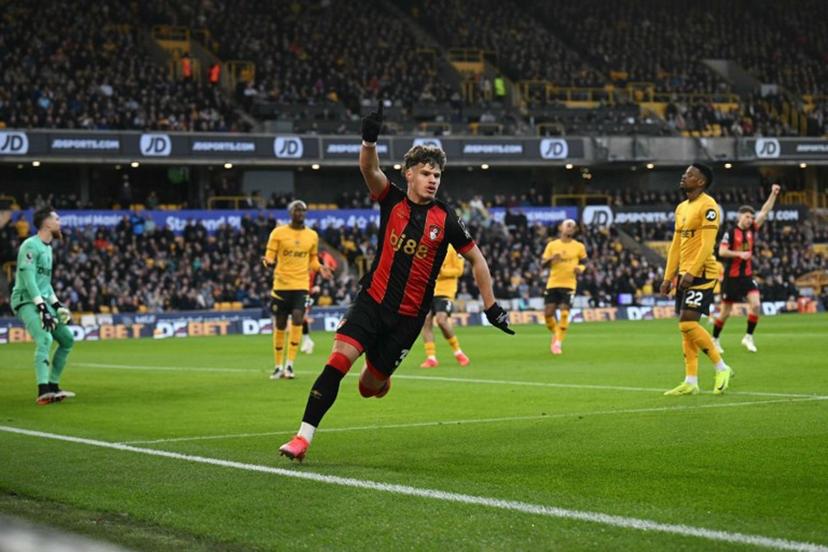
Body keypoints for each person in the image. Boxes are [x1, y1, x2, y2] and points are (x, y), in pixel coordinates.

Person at [278, 103, 515, 461]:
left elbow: (477, 259)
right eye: (425, 172)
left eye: (437, 174)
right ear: (408, 175)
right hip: (372, 301)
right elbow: (368, 168)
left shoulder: (445, 217)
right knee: (338, 362)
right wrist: (369, 139)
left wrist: (491, 306)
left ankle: (379, 375)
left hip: (407, 320)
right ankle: (302, 438)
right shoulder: (392, 200)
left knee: (369, 387)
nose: (433, 179)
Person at [661, 164, 732, 396]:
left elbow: (707, 244)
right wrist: (668, 276)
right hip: (684, 273)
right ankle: (691, 381)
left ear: (701, 182)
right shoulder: (681, 208)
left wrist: (691, 271)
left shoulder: (709, 206)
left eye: (691, 175)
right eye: (685, 173)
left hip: (703, 273)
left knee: (687, 323)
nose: (685, 176)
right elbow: (675, 246)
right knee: (685, 330)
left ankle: (722, 368)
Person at [10, 207, 75, 405]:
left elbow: (45, 283)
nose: (59, 222)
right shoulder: (30, 245)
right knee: (45, 338)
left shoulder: (48, 248)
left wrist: (57, 304)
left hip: (42, 300)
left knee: (67, 339)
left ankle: (54, 386)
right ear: (46, 223)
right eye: (56, 218)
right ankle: (43, 389)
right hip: (25, 300)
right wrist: (42, 308)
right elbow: (29, 280)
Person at [263, 200, 332, 380]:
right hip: (281, 285)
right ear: (290, 212)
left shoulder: (312, 236)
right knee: (279, 324)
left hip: (301, 285)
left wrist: (320, 268)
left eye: (303, 210)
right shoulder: (278, 233)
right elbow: (269, 256)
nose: (300, 213)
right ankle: (278, 365)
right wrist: (267, 262)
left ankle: (290, 365)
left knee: (298, 319)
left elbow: (312, 260)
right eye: (296, 210)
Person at [712, 184, 781, 353]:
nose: (750, 219)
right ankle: (714, 339)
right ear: (740, 217)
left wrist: (773, 194)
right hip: (732, 277)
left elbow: (764, 212)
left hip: (747, 276)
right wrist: (739, 254)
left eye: (751, 217)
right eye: (747, 217)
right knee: (725, 312)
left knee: (756, 305)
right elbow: (721, 251)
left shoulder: (752, 229)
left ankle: (748, 337)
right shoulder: (730, 232)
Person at [419, 244, 470, 368]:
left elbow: (459, 270)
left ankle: (458, 353)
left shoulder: (455, 248)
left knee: (441, 320)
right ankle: (431, 358)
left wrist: (442, 271)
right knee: (426, 321)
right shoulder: (430, 248)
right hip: (429, 291)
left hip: (446, 292)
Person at [541, 219, 587, 355]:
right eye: (568, 226)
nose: (570, 228)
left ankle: (557, 343)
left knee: (565, 312)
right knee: (548, 314)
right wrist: (551, 259)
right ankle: (557, 335)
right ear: (561, 228)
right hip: (553, 283)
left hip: (569, 284)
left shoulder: (579, 246)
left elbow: (585, 262)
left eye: (573, 227)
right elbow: (543, 264)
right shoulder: (552, 245)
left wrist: (580, 268)